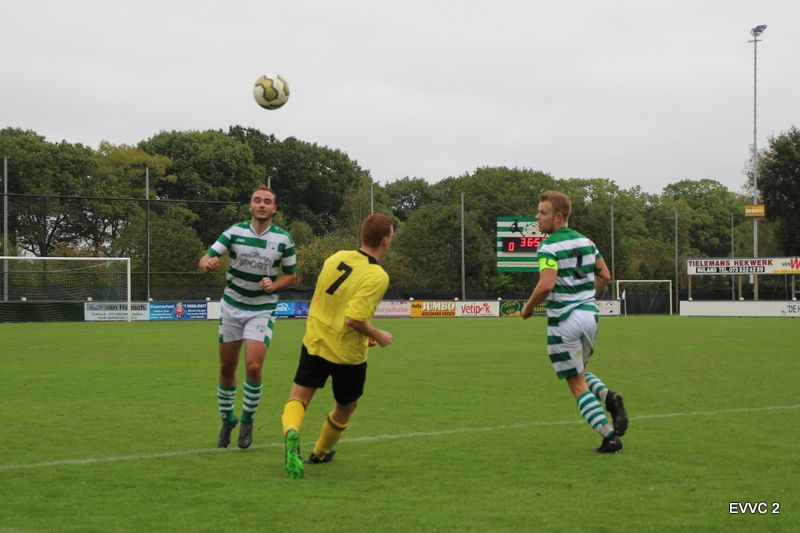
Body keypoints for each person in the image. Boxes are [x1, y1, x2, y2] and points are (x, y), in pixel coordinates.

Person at [280, 214, 394, 479]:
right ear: (385, 241)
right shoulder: (377, 275)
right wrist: (378, 334)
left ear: (363, 235)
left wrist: (365, 330)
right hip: (347, 353)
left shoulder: (336, 258)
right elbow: (353, 319)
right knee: (346, 406)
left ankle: (292, 431)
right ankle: (320, 453)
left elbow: (334, 302)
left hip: (316, 340)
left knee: (298, 398)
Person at [521, 191, 629, 453]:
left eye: (543, 213)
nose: (537, 217)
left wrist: (528, 307)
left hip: (564, 321)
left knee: (576, 384)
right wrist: (587, 296)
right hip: (590, 317)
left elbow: (546, 284)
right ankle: (609, 397)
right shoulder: (586, 242)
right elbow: (605, 275)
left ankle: (609, 437)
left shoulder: (548, 247)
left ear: (559, 217)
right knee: (580, 371)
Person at [198, 186, 297, 450]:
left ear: (274, 209)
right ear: (251, 206)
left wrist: (274, 285)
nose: (262, 205)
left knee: (253, 366)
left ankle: (247, 421)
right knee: (226, 368)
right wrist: (207, 263)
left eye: (267, 201)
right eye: (257, 200)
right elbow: (206, 258)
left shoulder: (284, 239)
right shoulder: (234, 232)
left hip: (262, 309)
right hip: (232, 307)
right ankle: (227, 419)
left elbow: (291, 275)